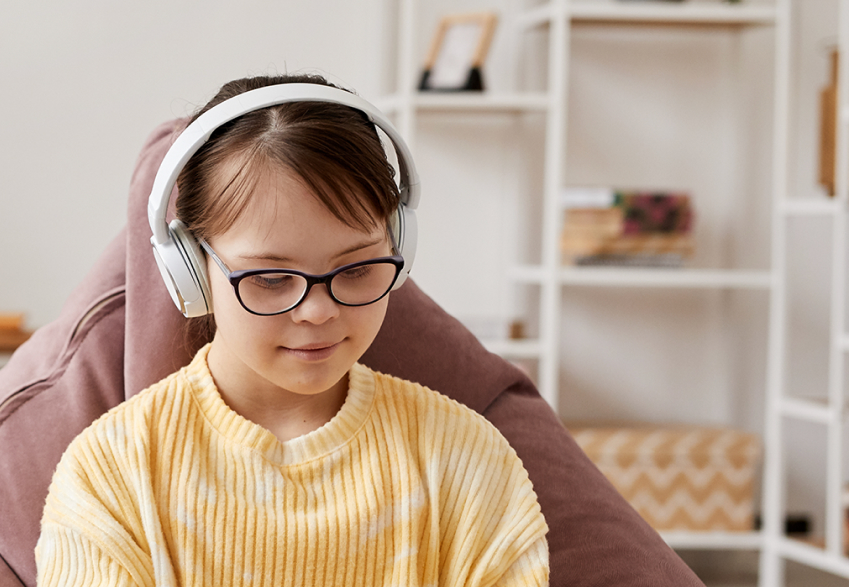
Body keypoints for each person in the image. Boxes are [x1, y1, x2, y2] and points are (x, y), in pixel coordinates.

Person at [34, 75, 548, 585]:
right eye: (272, 278)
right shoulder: (111, 473)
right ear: (189, 270)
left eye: (356, 269)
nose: (318, 312)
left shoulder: (468, 462)